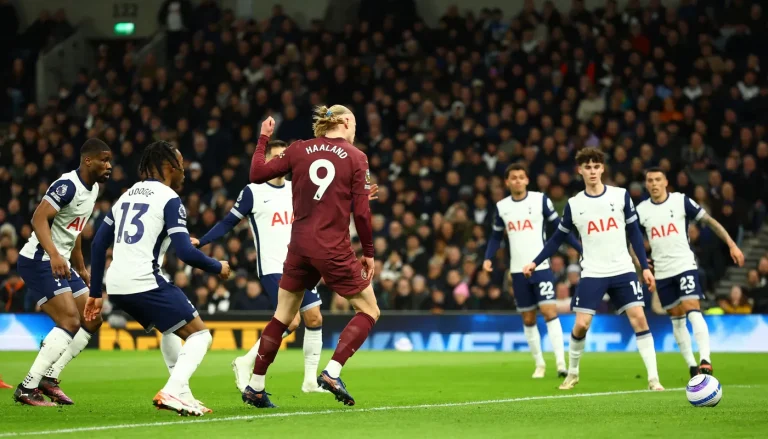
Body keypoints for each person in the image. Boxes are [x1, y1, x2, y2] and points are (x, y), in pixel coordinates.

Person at [243, 106, 378, 408]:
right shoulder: (357, 157)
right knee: (370, 310)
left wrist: (263, 138)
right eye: (355, 125)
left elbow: (256, 174)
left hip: (299, 247)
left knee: (282, 316)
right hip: (332, 248)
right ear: (346, 122)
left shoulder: (298, 149)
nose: (355, 131)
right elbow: (362, 214)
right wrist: (368, 253)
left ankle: (255, 385)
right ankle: (332, 372)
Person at [84, 141, 231, 417]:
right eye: (181, 164)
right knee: (200, 336)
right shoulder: (170, 198)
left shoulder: (126, 196)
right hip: (144, 281)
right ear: (169, 166)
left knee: (170, 329)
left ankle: (182, 393)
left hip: (116, 285)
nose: (184, 171)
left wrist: (95, 293)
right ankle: (172, 390)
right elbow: (185, 253)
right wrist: (217, 267)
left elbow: (97, 244)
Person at [522, 147, 664, 391]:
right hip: (592, 272)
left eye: (596, 166)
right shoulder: (574, 204)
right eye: (587, 167)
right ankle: (572, 373)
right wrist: (535, 262)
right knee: (581, 325)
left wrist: (644, 267)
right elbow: (558, 238)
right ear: (580, 170)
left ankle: (653, 379)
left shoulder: (620, 196)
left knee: (639, 319)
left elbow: (634, 234)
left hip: (622, 269)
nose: (592, 171)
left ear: (602, 169)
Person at [13, 139, 112, 406]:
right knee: (69, 320)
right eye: (104, 160)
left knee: (92, 319)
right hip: (39, 259)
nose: (109, 166)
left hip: (61, 262)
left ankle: (50, 377)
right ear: (88, 160)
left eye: (110, 161)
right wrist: (55, 255)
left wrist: (80, 265)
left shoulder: (93, 189)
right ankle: (27, 387)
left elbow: (74, 229)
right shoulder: (67, 185)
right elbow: (38, 218)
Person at [637, 168, 745, 377]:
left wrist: (732, 245)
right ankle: (692, 366)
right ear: (646, 184)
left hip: (684, 265)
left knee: (691, 308)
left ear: (666, 182)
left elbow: (709, 221)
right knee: (676, 318)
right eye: (650, 180)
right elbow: (632, 239)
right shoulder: (641, 210)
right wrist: (640, 263)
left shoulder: (680, 201)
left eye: (658, 179)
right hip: (662, 272)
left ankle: (706, 360)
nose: (654, 183)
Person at [483, 163, 582, 379]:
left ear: (527, 180)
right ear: (507, 182)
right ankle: (539, 364)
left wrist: (580, 248)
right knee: (528, 318)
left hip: (541, 267)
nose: (518, 180)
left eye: (521, 177)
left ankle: (560, 363)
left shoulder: (540, 200)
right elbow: (496, 236)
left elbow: (560, 228)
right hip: (517, 271)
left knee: (549, 312)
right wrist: (488, 257)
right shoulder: (502, 207)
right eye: (513, 177)